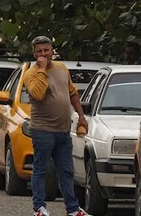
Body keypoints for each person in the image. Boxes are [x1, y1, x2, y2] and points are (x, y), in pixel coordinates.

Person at [23, 36, 89, 216]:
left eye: (46, 50)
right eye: (39, 51)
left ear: (52, 50)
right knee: (41, 170)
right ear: (34, 53)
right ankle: (39, 208)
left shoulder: (61, 68)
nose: (43, 54)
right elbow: (37, 94)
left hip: (63, 131)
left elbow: (73, 93)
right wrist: (42, 69)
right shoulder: (31, 74)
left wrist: (81, 116)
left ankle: (73, 210)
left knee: (67, 171)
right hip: (42, 130)